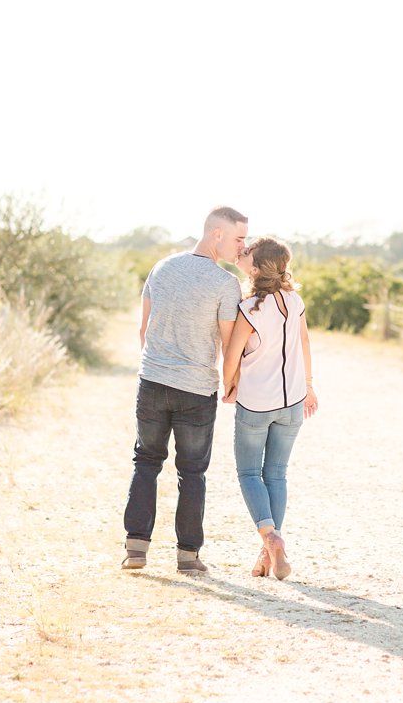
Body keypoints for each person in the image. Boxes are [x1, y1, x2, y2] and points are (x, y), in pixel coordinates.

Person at [122, 206, 248, 576]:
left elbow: (144, 330)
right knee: (192, 472)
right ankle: (188, 557)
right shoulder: (225, 283)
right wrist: (231, 383)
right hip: (196, 390)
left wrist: (159, 363)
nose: (243, 248)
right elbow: (229, 345)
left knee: (146, 461)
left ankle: (135, 549)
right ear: (217, 235)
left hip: (152, 382)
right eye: (239, 239)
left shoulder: (162, 267)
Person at [221, 237, 319, 580]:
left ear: (258, 269)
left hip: (255, 403)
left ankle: (270, 537)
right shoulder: (295, 301)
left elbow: (232, 355)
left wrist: (228, 383)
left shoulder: (249, 309)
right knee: (276, 473)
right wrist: (308, 386)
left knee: (250, 474)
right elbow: (305, 343)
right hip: (291, 401)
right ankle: (268, 553)